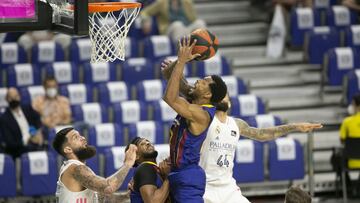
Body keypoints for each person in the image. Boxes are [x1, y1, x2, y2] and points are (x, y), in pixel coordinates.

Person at [161, 61, 322, 203]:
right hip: (205, 186)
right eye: (221, 95)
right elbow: (189, 91)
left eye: (227, 96)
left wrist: (294, 127)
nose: (224, 98)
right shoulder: (204, 118)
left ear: (229, 102)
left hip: (228, 187)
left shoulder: (236, 124)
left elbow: (263, 134)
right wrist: (174, 68)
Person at [163, 36, 227, 203]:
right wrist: (182, 59)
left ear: (208, 95)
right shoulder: (194, 101)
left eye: (204, 81)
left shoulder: (201, 114)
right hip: (178, 171)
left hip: (188, 176)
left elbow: (170, 98)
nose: (198, 80)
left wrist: (182, 62)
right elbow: (170, 74)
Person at [52, 127, 137, 202]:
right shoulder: (74, 168)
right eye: (76, 137)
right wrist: (127, 163)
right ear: (68, 149)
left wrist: (127, 196)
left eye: (80, 135)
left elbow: (103, 198)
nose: (83, 138)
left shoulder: (75, 168)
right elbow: (108, 187)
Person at [0, 87, 44, 159]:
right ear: (6, 99)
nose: (14, 99)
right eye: (11, 98)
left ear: (20, 97)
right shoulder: (4, 118)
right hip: (20, 151)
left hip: (36, 143)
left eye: (16, 96)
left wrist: (38, 132)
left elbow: (38, 119)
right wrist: (28, 141)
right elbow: (10, 143)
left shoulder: (27, 109)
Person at [127, 137, 170, 203]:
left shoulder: (153, 169)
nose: (148, 143)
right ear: (136, 156)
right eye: (142, 144)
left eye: (148, 141)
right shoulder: (145, 167)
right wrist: (168, 178)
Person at [140, 0, 206, 42]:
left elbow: (193, 18)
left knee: (200, 23)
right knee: (178, 25)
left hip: (186, 28)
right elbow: (145, 12)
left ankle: (202, 49)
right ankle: (180, 52)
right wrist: (146, 20)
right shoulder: (162, 2)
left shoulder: (187, 2)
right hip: (170, 29)